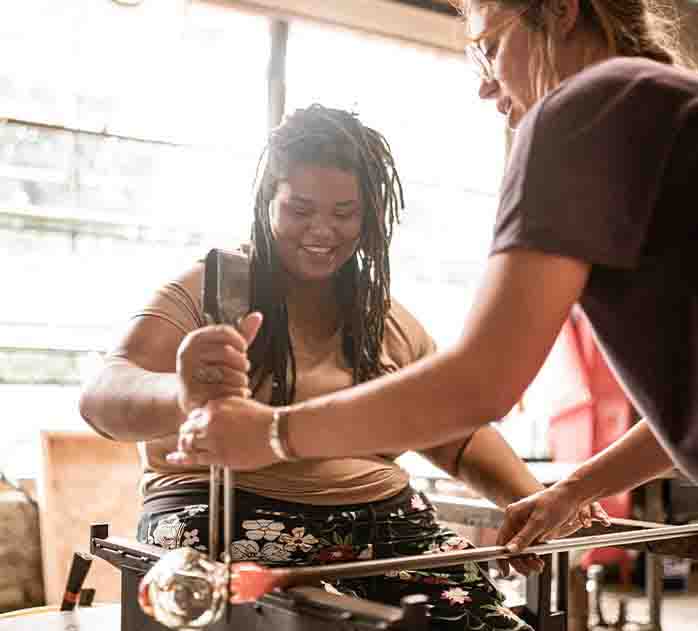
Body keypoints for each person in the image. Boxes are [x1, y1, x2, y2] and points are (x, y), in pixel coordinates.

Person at [166, 0, 698, 572]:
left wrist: (272, 433)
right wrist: (573, 489)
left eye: (489, 48)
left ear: (563, 11)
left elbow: (480, 386)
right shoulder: (662, 100)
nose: (486, 88)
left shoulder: (585, 107)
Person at [80, 105, 568, 631]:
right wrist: (182, 392)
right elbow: (102, 396)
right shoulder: (210, 292)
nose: (322, 231)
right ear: (266, 200)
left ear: (370, 218)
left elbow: (456, 432)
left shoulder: (381, 317)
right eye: (300, 209)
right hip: (226, 510)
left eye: (344, 213)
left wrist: (530, 499)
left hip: (383, 521)